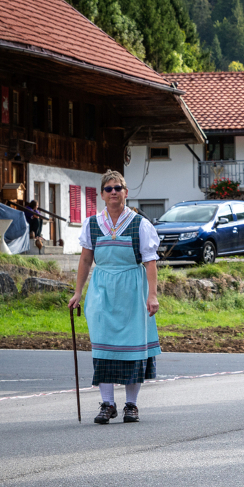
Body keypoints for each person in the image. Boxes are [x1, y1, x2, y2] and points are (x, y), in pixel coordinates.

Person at [68, 170, 161, 425]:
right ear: (102, 194)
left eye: (117, 188)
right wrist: (78, 292)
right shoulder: (92, 223)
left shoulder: (140, 224)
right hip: (102, 290)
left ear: (125, 192)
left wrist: (152, 295)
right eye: (108, 189)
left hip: (132, 290)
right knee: (103, 347)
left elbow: (150, 262)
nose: (113, 193)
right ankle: (107, 404)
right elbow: (85, 259)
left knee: (133, 348)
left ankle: (131, 405)